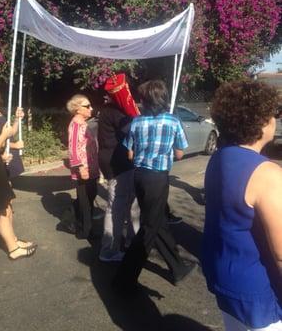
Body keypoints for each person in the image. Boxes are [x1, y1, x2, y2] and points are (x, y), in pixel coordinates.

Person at [201, 80, 282, 331]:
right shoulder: (266, 172)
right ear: (261, 121)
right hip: (258, 288)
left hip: (224, 275)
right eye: (273, 114)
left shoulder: (220, 158)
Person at [113, 80, 196, 292]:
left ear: (146, 100)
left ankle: (177, 268)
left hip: (139, 176)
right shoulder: (173, 121)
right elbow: (180, 153)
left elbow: (129, 153)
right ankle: (124, 278)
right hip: (158, 177)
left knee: (157, 221)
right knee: (150, 225)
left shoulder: (137, 122)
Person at [0, 79, 37, 265]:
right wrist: (7, 140)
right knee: (0, 211)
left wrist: (16, 120)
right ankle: (13, 247)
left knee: (4, 209)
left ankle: (13, 244)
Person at [98, 93, 139, 262]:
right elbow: (132, 130)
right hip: (118, 164)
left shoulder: (110, 111)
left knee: (130, 203)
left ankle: (131, 241)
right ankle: (109, 249)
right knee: (116, 207)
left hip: (119, 163)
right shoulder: (114, 112)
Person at [67, 94, 100, 239]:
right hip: (83, 170)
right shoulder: (76, 125)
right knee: (85, 202)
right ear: (77, 109)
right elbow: (73, 149)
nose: (91, 108)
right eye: (87, 106)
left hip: (91, 168)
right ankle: (86, 231)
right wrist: (81, 168)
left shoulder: (84, 124)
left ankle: (80, 224)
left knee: (89, 198)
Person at [0, 80, 24, 180]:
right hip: (2, 158)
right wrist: (15, 146)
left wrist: (17, 119)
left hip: (9, 156)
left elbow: (10, 133)